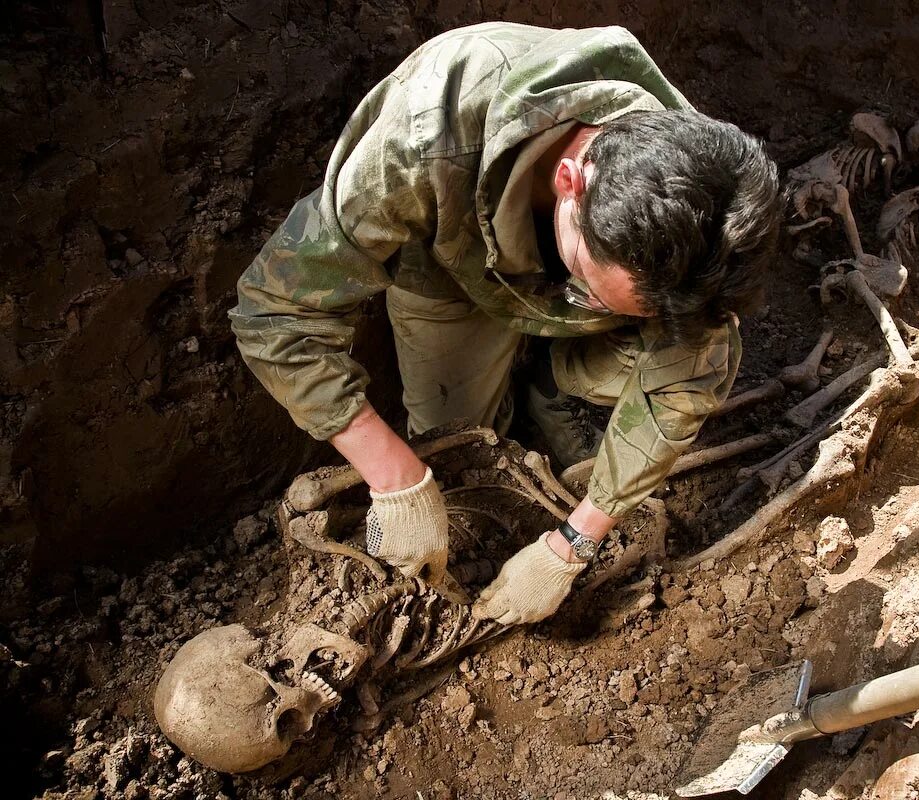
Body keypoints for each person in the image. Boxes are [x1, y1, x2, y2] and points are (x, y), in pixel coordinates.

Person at [229, 22, 780, 625]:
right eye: (590, 285)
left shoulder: (704, 198)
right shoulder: (423, 139)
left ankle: (548, 384)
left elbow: (690, 372)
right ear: (572, 181)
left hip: (572, 288)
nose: (593, 307)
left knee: (676, 351)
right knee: (453, 443)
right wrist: (393, 475)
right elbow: (273, 312)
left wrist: (575, 542)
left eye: (623, 310)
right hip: (450, 266)